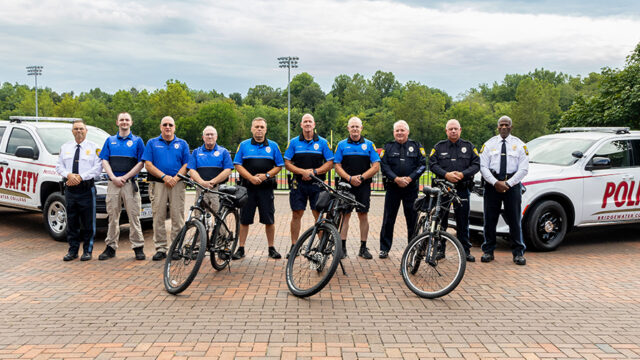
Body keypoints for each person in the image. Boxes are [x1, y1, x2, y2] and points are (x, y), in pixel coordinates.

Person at [479, 115, 529, 265]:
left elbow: (524, 169)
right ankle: (488, 251)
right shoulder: (489, 144)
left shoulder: (520, 145)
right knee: (490, 220)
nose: (504, 127)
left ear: (511, 127)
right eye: (501, 125)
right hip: (492, 186)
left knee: (514, 220)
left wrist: (508, 183)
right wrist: (495, 183)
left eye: (507, 125)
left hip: (512, 186)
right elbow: (483, 167)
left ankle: (518, 253)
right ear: (498, 127)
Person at [232, 117, 284, 260]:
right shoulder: (243, 145)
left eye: (262, 127)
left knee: (269, 219)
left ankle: (271, 248)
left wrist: (266, 176)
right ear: (252, 129)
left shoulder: (273, 146)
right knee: (244, 219)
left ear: (266, 129)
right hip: (247, 188)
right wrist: (251, 177)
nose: (259, 129)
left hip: (266, 189)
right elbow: (237, 164)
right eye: (256, 127)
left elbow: (279, 165)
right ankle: (241, 248)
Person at [428, 119, 480, 262]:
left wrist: (463, 174)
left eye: (455, 129)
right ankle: (440, 250)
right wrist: (446, 175)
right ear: (446, 131)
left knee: (463, 221)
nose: (453, 131)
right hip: (444, 189)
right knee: (441, 221)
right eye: (450, 129)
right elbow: (432, 164)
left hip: (462, 189)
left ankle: (465, 251)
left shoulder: (468, 146)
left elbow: (476, 164)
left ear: (460, 130)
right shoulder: (439, 147)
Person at [284, 114, 334, 258]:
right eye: (305, 122)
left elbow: (330, 162)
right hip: (298, 184)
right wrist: (302, 172)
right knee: (296, 214)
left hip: (317, 184)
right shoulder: (293, 142)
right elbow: (287, 162)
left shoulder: (323, 142)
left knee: (318, 216)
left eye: (310, 122)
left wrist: (314, 172)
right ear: (301, 125)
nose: (307, 124)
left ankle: (321, 248)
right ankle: (294, 247)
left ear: (314, 124)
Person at [98, 112, 146, 261]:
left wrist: (125, 177)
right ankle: (110, 247)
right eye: (121, 120)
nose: (124, 122)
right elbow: (104, 160)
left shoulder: (137, 141)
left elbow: (141, 163)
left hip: (129, 184)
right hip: (113, 184)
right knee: (113, 216)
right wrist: (113, 177)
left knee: (134, 216)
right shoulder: (110, 140)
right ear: (117, 122)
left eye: (127, 120)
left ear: (131, 122)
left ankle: (138, 247)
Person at [142, 116, 190, 261]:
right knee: (158, 216)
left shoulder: (182, 144)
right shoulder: (152, 143)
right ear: (160, 127)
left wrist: (175, 178)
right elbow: (148, 164)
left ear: (174, 127)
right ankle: (161, 248)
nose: (167, 127)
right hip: (158, 183)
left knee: (177, 216)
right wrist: (164, 176)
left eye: (170, 125)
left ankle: (176, 248)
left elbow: (187, 164)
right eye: (165, 125)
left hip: (177, 183)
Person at [55, 119, 103, 261]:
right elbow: (59, 166)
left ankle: (87, 251)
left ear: (86, 131)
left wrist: (81, 177)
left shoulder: (94, 148)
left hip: (86, 189)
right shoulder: (65, 147)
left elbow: (98, 168)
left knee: (88, 222)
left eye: (81, 129)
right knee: (72, 221)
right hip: (70, 189)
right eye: (76, 129)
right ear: (72, 131)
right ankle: (72, 250)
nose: (79, 131)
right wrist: (69, 175)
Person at [334, 116, 381, 259]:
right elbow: (337, 165)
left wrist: (361, 177)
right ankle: (342, 248)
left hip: (363, 186)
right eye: (352, 126)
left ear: (361, 128)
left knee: (363, 215)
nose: (355, 129)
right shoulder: (341, 145)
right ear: (348, 128)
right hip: (346, 186)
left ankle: (363, 247)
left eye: (357, 126)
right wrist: (349, 178)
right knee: (345, 216)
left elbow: (376, 166)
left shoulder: (369, 145)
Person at [379, 120, 426, 259]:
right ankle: (384, 248)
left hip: (410, 189)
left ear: (408, 132)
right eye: (397, 130)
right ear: (394, 132)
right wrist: (396, 179)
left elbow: (422, 165)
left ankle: (413, 246)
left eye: (402, 130)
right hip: (393, 188)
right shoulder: (388, 147)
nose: (399, 133)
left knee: (412, 219)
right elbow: (384, 166)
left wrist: (410, 178)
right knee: (388, 219)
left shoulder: (416, 146)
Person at [187, 125, 233, 216]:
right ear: (203, 137)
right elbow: (192, 170)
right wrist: (202, 182)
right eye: (207, 134)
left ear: (216, 137)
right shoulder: (196, 152)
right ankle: (201, 230)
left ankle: (221, 231)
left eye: (212, 134)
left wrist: (213, 182)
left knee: (219, 217)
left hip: (217, 189)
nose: (210, 136)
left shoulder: (224, 152)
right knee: (198, 216)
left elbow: (228, 170)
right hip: (201, 188)